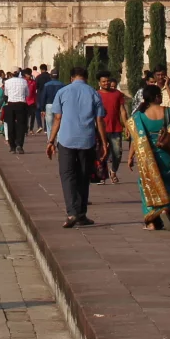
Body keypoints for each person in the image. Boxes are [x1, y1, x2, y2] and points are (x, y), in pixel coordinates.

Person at [46, 65, 107, 228]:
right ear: (86, 78)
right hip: (87, 140)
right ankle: (81, 214)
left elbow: (57, 118)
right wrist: (104, 142)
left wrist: (51, 141)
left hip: (66, 140)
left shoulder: (63, 92)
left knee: (68, 176)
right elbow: (99, 120)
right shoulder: (94, 93)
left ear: (71, 78)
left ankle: (72, 213)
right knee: (83, 176)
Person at [128, 83, 170, 229]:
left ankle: (152, 221)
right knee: (167, 184)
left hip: (147, 157)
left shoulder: (138, 116)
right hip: (167, 154)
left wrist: (130, 155)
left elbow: (135, 138)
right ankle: (168, 211)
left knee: (147, 186)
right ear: (157, 97)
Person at [97, 72, 127, 184]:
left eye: (108, 81)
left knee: (117, 153)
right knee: (101, 153)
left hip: (115, 128)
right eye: (103, 81)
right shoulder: (96, 94)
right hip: (101, 130)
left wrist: (127, 125)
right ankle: (101, 175)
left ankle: (113, 171)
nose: (106, 83)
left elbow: (122, 110)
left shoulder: (117, 94)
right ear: (99, 83)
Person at [2, 67, 32, 153]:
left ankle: (12, 146)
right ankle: (19, 145)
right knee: (21, 125)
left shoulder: (7, 82)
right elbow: (27, 93)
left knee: (10, 125)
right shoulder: (24, 81)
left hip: (11, 104)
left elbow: (6, 94)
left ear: (11, 74)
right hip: (21, 104)